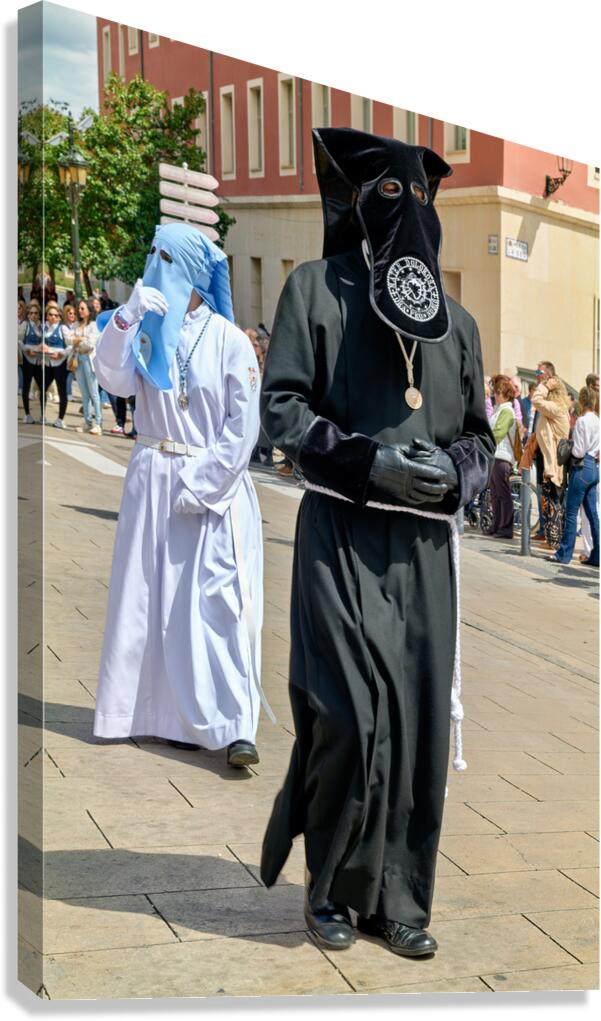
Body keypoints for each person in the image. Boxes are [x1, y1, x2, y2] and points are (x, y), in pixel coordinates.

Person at [259, 127, 495, 957]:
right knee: (350, 718)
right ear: (359, 203)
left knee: (416, 726)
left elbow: (479, 437)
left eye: (422, 195)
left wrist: (454, 472)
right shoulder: (314, 289)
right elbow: (282, 410)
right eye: (391, 192)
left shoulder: (459, 324)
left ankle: (397, 898)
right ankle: (330, 887)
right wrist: (368, 463)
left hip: (424, 553)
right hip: (341, 534)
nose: (410, 208)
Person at [92, 222, 267, 767]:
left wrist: (204, 484)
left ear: (190, 269)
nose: (154, 266)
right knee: (149, 598)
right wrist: (125, 319)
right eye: (152, 254)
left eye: (164, 257)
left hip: (210, 486)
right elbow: (113, 380)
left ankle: (235, 725)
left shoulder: (231, 340)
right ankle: (156, 716)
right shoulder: (146, 327)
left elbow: (242, 427)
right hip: (151, 475)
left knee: (217, 603)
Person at [548, 386, 599, 566]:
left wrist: (569, 445)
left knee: (571, 513)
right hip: (593, 467)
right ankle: (597, 555)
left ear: (582, 401)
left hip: (582, 467)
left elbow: (578, 451)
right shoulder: (598, 420)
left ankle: (564, 554)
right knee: (593, 515)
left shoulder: (582, 421)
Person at [531, 362, 570, 549]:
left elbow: (536, 400)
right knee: (550, 501)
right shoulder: (553, 408)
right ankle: (550, 539)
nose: (537, 375)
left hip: (554, 464)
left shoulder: (556, 407)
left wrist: (544, 386)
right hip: (549, 461)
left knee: (554, 502)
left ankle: (554, 542)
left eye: (539, 372)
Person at [488, 375, 518, 538]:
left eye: (498, 392)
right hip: (496, 455)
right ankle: (496, 526)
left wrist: (485, 444)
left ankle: (506, 528)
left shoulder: (507, 410)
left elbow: (498, 433)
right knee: (495, 494)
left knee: (503, 494)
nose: (495, 395)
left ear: (505, 394)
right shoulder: (499, 409)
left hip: (502, 456)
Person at [73, 298, 102, 436]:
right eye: (79, 308)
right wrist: (80, 340)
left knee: (94, 393)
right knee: (84, 394)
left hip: (89, 360)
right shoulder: (77, 324)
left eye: (82, 308)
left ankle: (99, 423)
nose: (79, 310)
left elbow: (90, 344)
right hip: (78, 359)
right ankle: (87, 421)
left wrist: (78, 340)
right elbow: (69, 339)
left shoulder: (94, 325)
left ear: (89, 310)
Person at [41, 300, 71, 428]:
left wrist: (61, 354)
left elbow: (70, 346)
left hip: (60, 364)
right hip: (47, 364)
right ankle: (42, 415)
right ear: (47, 316)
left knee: (61, 391)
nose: (53, 317)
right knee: (42, 389)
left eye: (56, 315)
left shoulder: (63, 328)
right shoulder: (43, 328)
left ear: (59, 317)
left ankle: (60, 419)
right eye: (50, 315)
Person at [18, 301, 44, 423]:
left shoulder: (42, 326)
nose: (33, 315)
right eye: (31, 313)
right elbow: (19, 341)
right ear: (28, 314)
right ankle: (27, 414)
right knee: (26, 387)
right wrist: (27, 350)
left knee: (42, 387)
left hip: (38, 361)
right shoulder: (25, 324)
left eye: (36, 313)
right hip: (27, 360)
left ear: (39, 314)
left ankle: (43, 415)